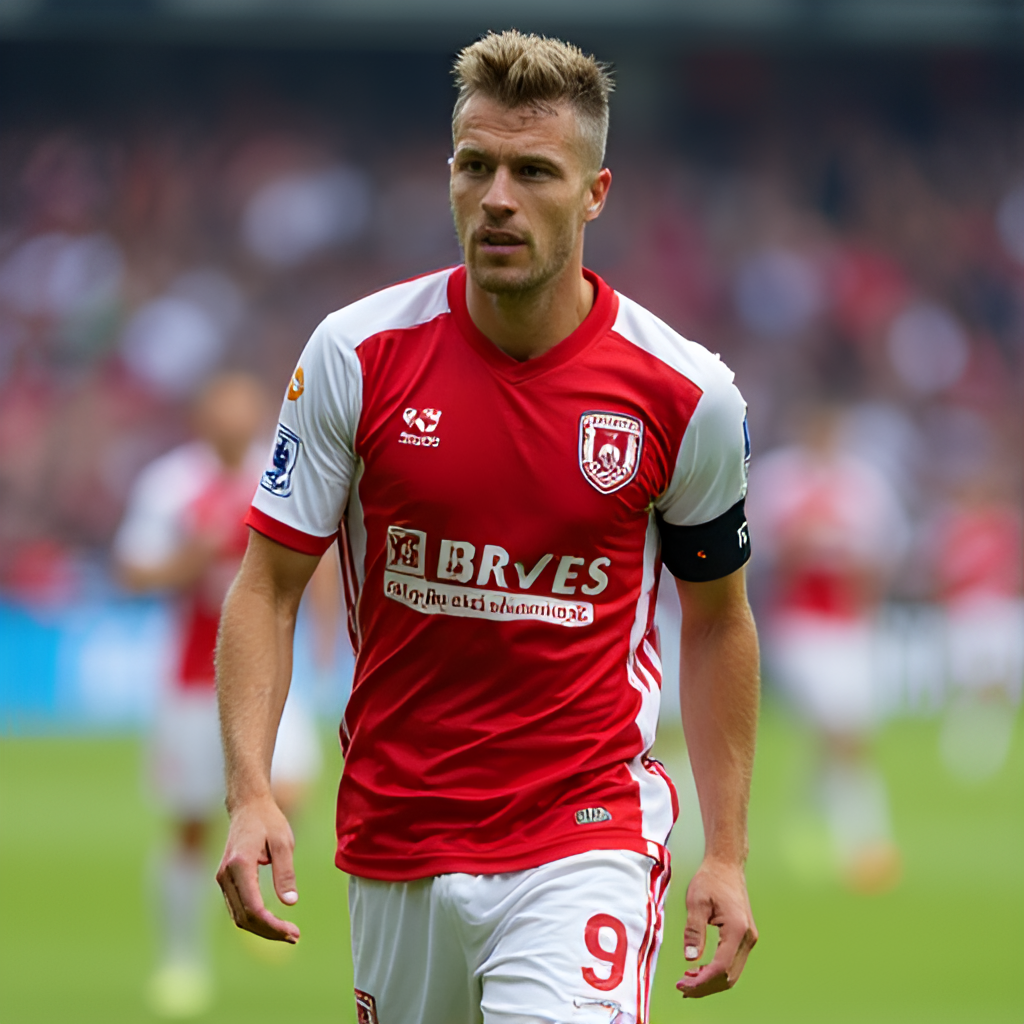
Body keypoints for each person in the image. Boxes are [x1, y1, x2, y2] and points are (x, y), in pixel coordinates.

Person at [216, 32, 759, 1023]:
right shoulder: (355, 353)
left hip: (585, 832)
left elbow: (719, 618)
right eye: (476, 166)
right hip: (399, 832)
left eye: (534, 172)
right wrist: (251, 789)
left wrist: (724, 849)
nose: (498, 197)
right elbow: (267, 586)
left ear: (595, 193)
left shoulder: (687, 394)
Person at [114, 372, 326, 1018]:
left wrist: (325, 630)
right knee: (189, 824)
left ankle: (255, 884)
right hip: (193, 679)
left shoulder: (278, 468)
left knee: (290, 789)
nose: (235, 422)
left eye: (245, 411)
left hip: (268, 675)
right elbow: (131, 571)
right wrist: (190, 557)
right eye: (224, 412)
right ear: (205, 419)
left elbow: (317, 554)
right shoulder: (171, 485)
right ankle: (181, 959)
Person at [747, 404, 908, 892]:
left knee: (841, 732)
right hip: (799, 623)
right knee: (843, 732)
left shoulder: (863, 485)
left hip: (849, 624)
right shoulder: (779, 480)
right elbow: (759, 549)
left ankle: (804, 822)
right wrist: (801, 545)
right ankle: (866, 844)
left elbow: (883, 552)